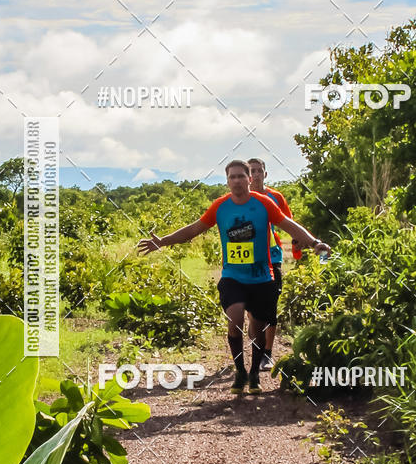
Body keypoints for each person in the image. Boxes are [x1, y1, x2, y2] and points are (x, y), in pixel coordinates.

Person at [137, 159, 330, 395]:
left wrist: (314, 243)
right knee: (235, 315)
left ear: (250, 179)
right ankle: (239, 370)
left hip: (261, 277)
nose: (237, 180)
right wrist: (162, 241)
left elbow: (289, 225)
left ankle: (254, 374)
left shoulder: (264, 204)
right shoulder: (220, 206)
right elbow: (194, 229)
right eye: (232, 177)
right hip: (233, 276)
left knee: (258, 327)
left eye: (241, 176)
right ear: (227, 181)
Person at [247, 158, 300, 371]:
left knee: (270, 306)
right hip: (246, 261)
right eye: (252, 171)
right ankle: (257, 350)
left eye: (259, 171)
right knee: (251, 311)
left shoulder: (275, 197)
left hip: (272, 257)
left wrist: (298, 245)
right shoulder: (238, 199)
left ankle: (267, 354)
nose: (256, 175)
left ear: (265, 174)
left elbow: (290, 222)